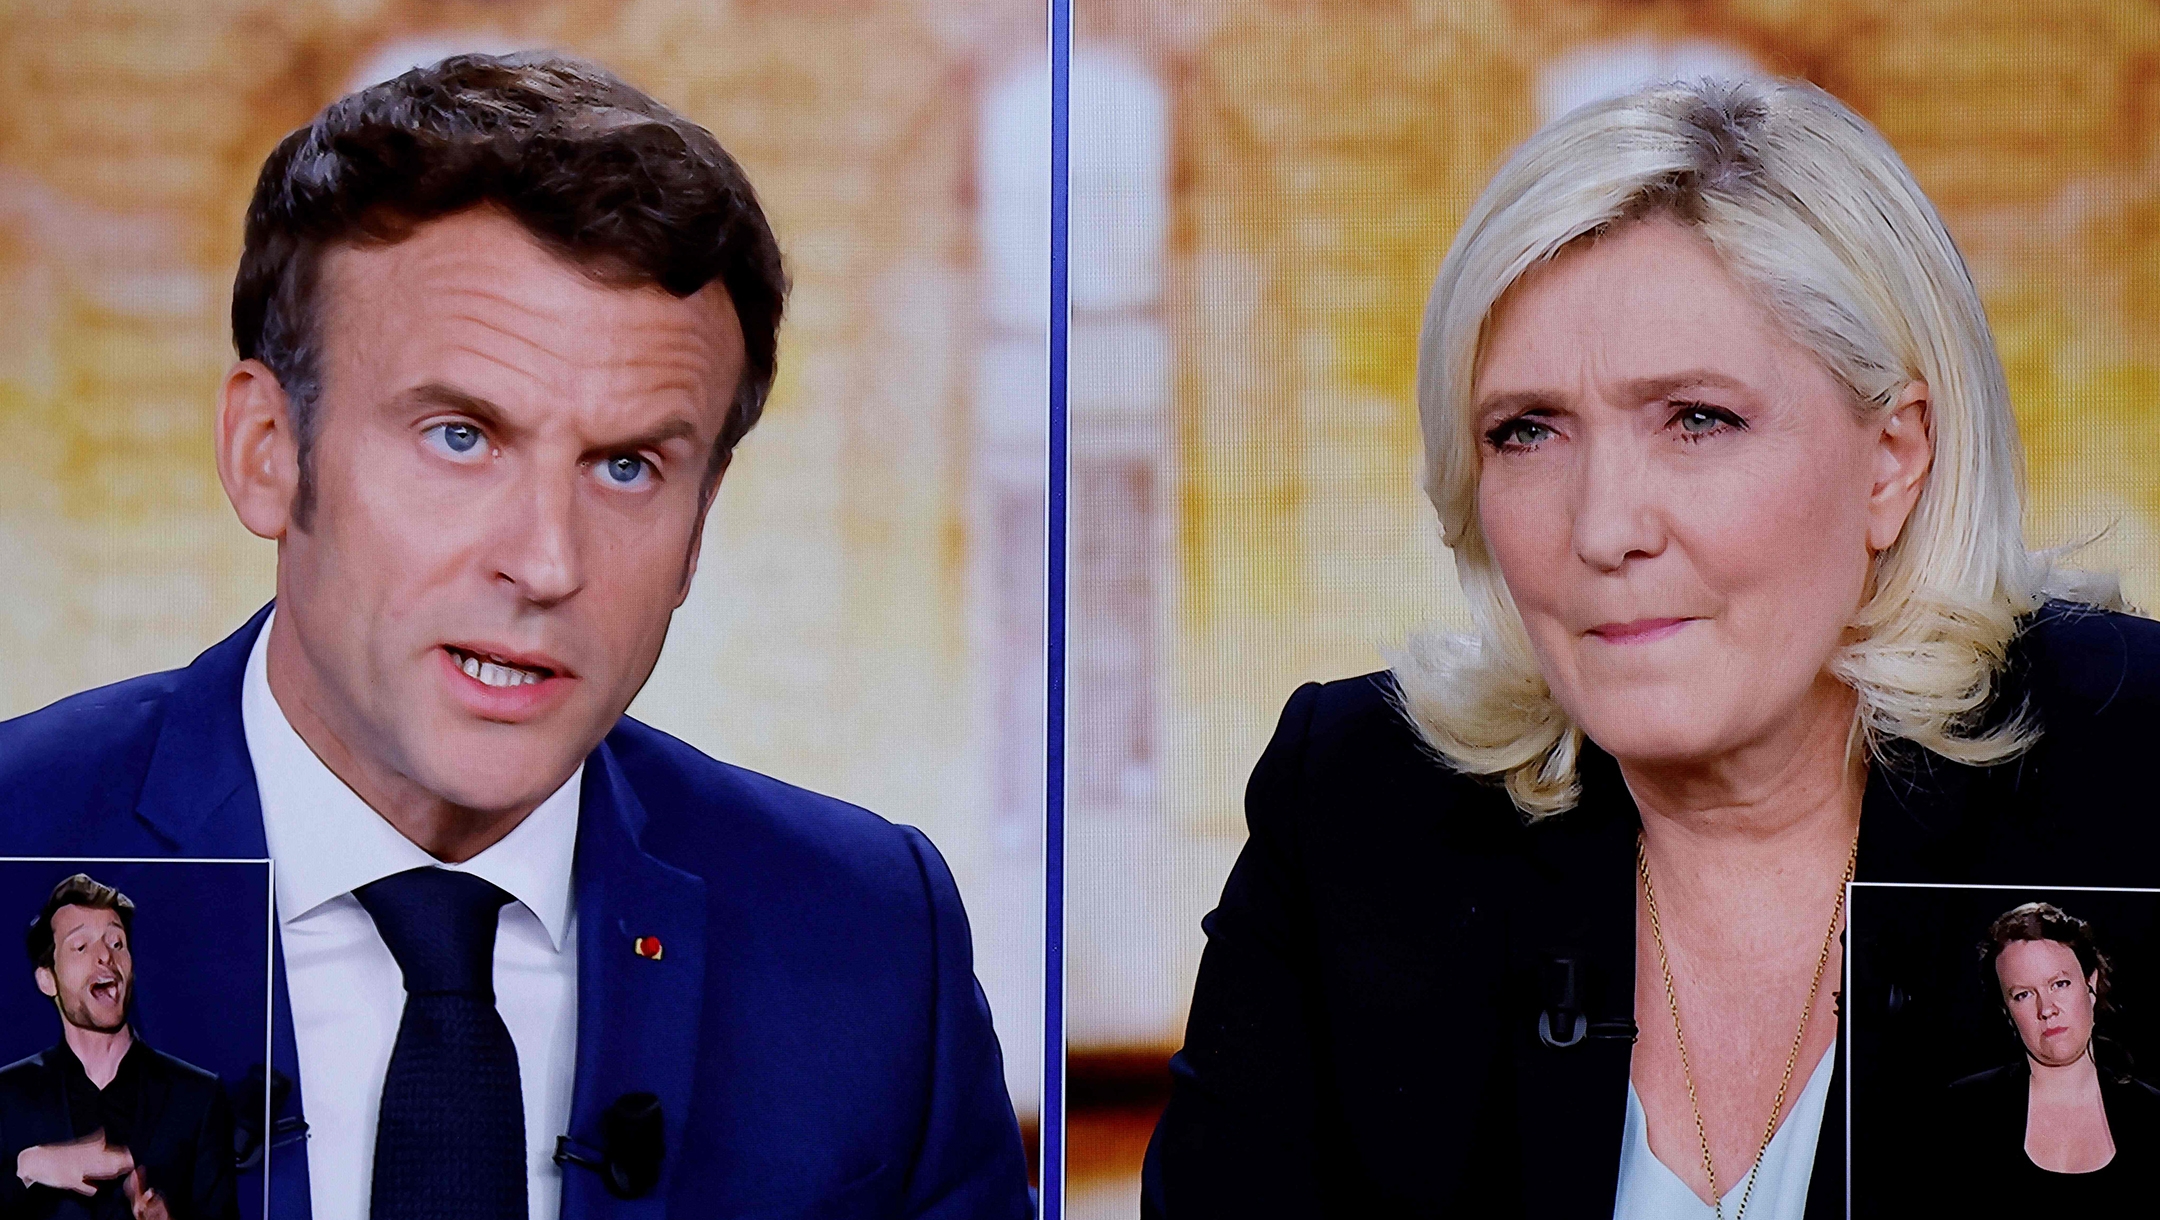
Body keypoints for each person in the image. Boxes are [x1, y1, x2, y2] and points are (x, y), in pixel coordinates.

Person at [0, 54, 1030, 1220]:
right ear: (266, 452)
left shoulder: (870, 939)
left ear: (701, 524)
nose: (546, 561)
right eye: (460, 436)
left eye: (630, 465)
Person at [1143, 75, 2160, 1220]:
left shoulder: (2137, 767)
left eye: (1697, 419)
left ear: (1892, 459)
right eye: (1527, 431)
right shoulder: (1354, 804)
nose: (1603, 527)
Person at [0, 875, 237, 1220]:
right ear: (47, 979)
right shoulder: (7, 1098)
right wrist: (28, 1167)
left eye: (116, 943)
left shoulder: (197, 1097)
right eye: (81, 947)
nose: (105, 958)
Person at [1939, 902, 2160, 1206]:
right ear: (2007, 1010)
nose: (2047, 1009)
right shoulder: (1964, 1112)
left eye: (2060, 984)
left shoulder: (2152, 1115)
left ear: (2090, 984)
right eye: (2023, 995)